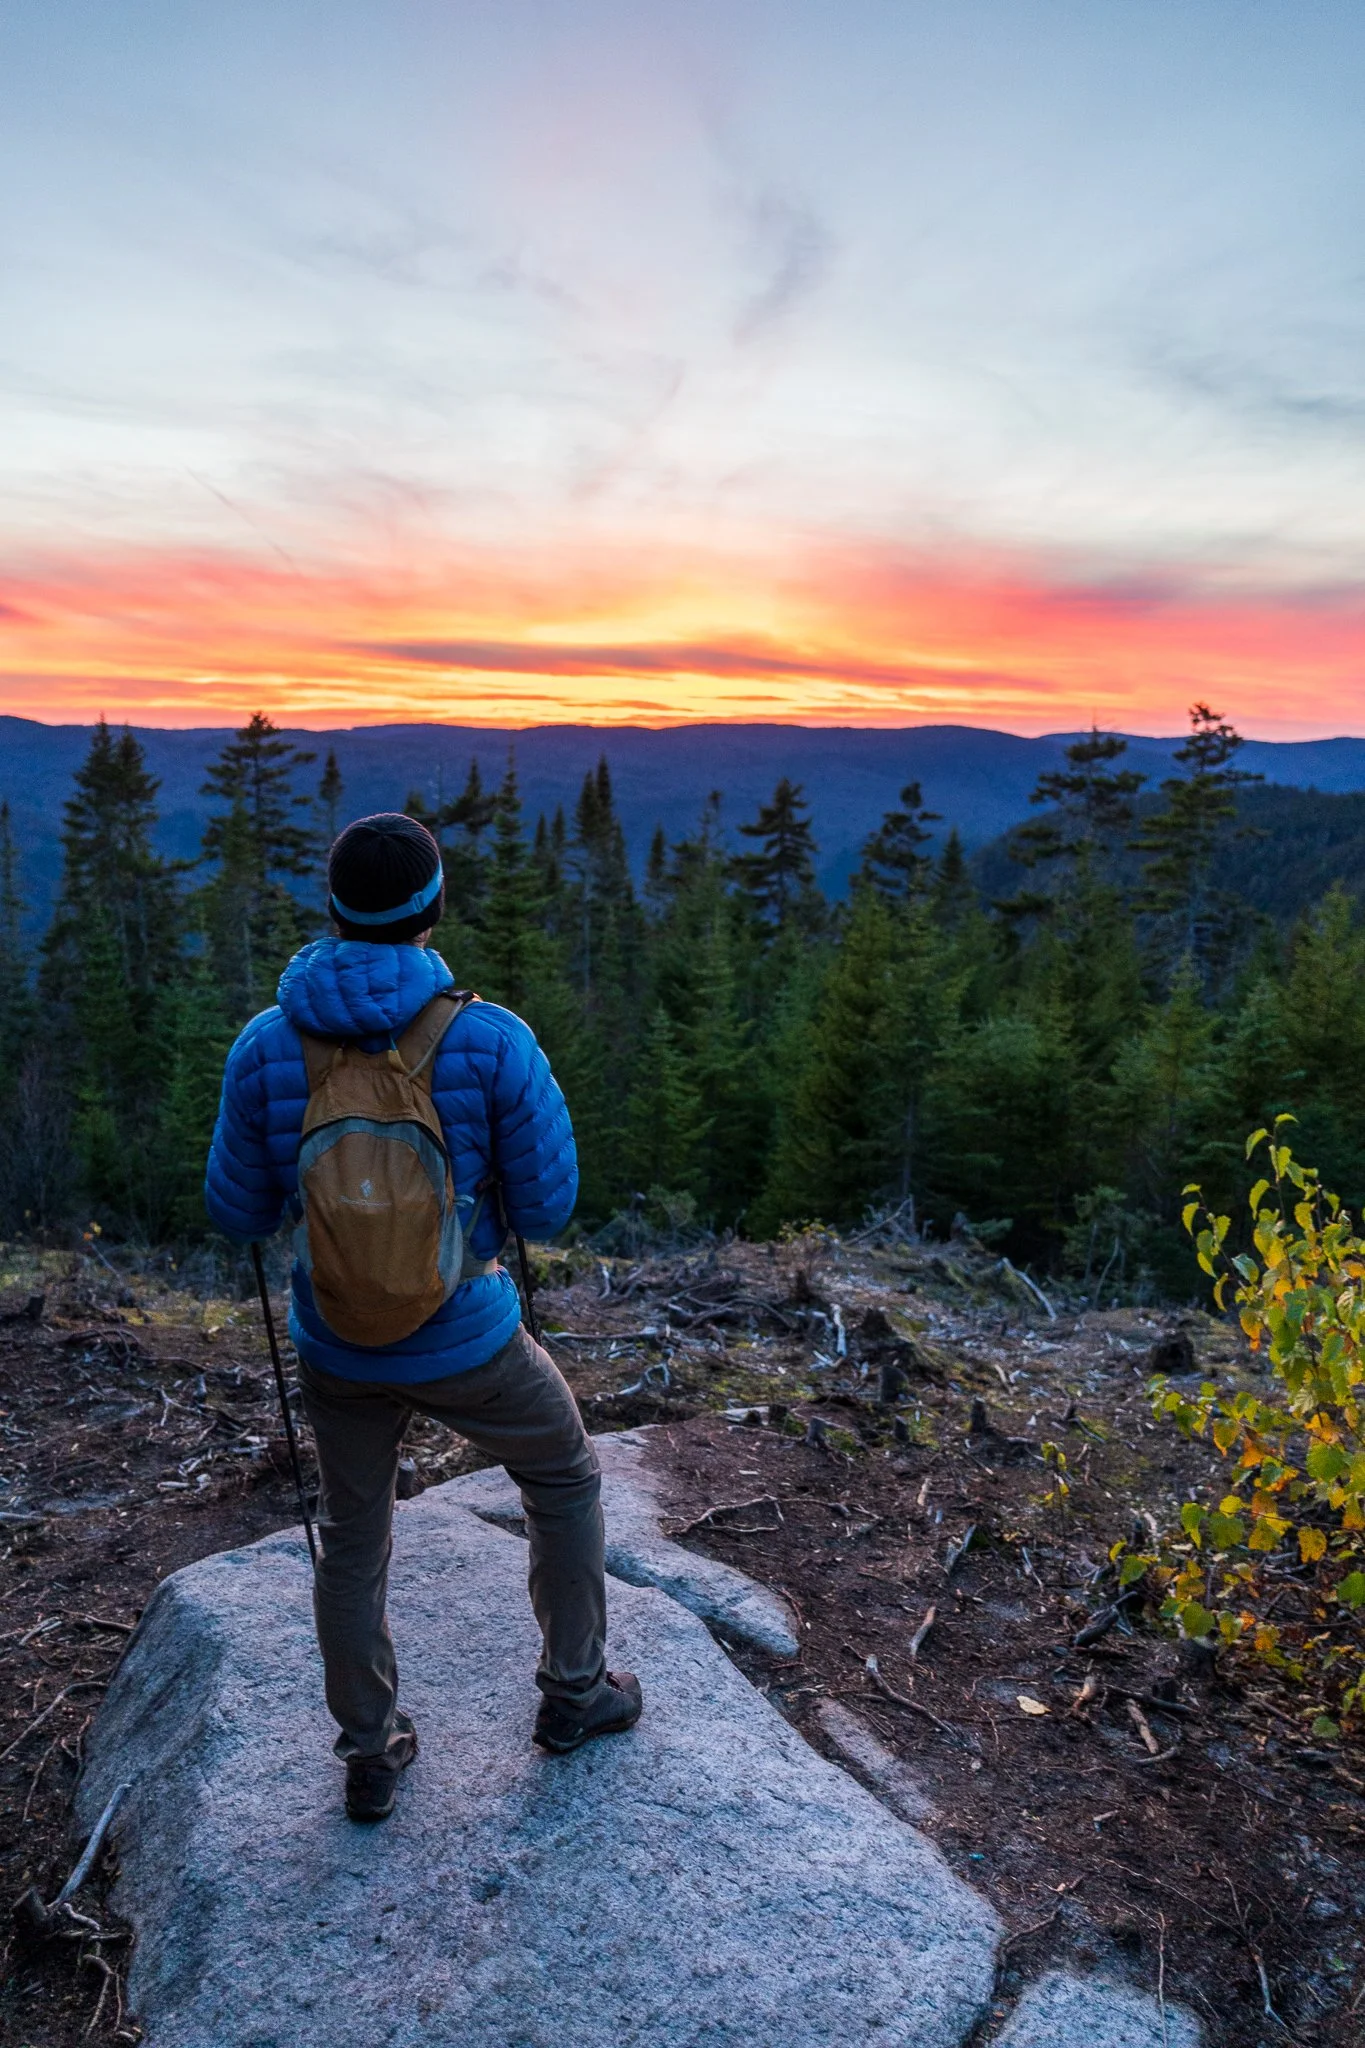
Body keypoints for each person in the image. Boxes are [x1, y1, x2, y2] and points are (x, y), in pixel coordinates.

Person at [204, 812, 641, 1821]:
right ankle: (575, 1693)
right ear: (433, 907)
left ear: (334, 908)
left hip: (337, 1342)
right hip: (468, 1337)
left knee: (352, 1536)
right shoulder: (490, 1038)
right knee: (562, 1475)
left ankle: (370, 1748)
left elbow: (238, 1211)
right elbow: (547, 1207)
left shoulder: (268, 1045)